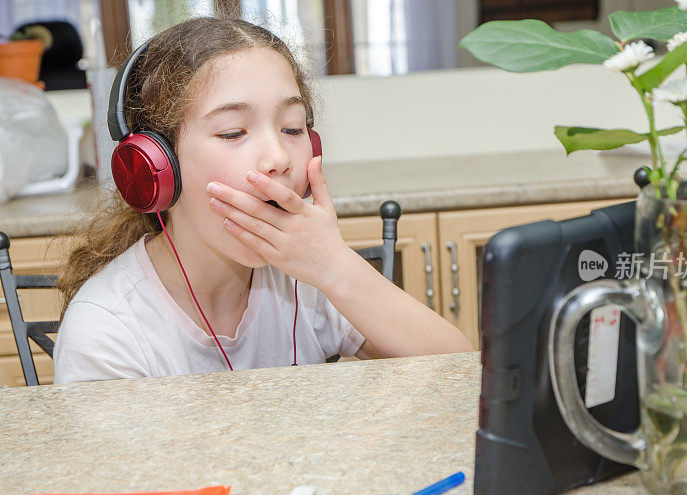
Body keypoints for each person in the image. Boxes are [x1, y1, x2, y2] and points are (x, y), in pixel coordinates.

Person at [53, 17, 472, 384]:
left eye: (292, 129)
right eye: (233, 132)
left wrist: (337, 267)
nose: (277, 158)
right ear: (154, 168)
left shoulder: (307, 278)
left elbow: (461, 377)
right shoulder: (106, 329)